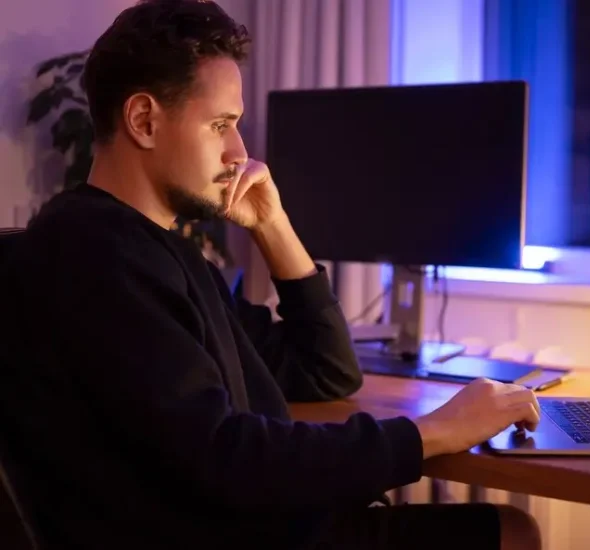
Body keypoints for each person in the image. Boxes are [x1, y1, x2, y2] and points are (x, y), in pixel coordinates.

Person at [0, 1, 542, 549]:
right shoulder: (95, 255)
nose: (239, 152)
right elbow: (221, 455)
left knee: (507, 530)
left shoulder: (164, 251)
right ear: (144, 121)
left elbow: (326, 373)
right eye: (220, 125)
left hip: (258, 520)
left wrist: (272, 225)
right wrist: (435, 431)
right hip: (231, 533)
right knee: (513, 534)